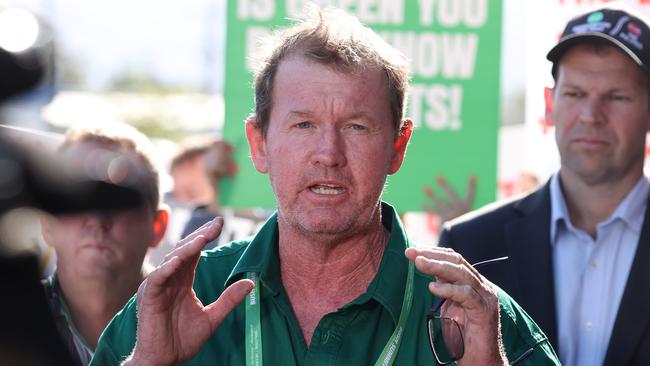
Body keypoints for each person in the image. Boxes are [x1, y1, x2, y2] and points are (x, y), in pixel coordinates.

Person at [90, 8, 559, 365]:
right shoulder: (185, 295)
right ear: (259, 144)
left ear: (398, 147)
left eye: (357, 127)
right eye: (303, 125)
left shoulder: (474, 314)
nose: (328, 153)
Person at [440, 5, 650, 366]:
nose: (591, 115)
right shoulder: (470, 245)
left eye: (616, 97)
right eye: (575, 94)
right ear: (549, 104)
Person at [41, 122, 169, 365]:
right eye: (76, 197)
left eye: (118, 200)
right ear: (47, 222)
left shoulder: (204, 324)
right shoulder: (11, 326)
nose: (97, 220)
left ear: (158, 226)